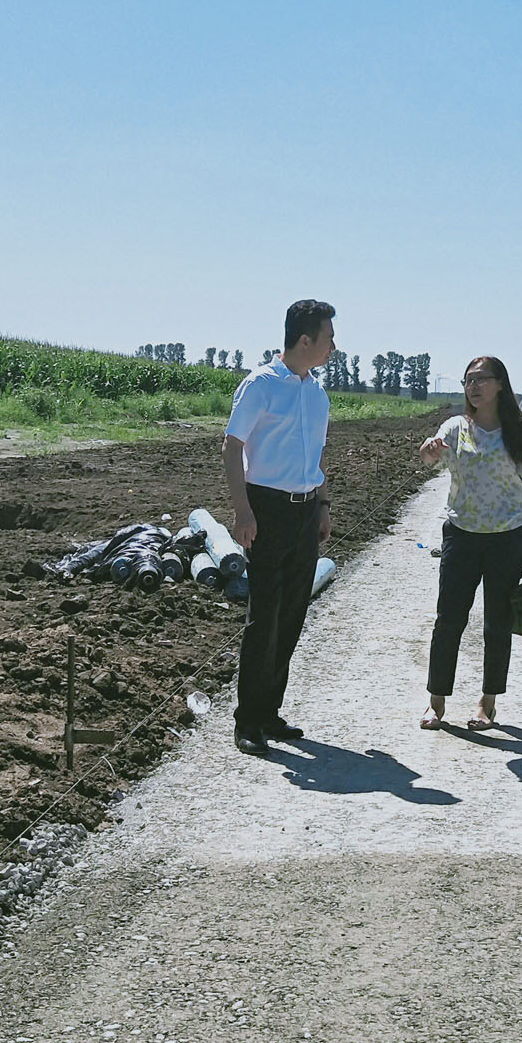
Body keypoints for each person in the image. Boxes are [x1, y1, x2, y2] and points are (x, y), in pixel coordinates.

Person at [222, 299, 337, 756]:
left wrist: (323, 505)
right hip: (267, 510)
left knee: (292, 614)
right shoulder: (261, 386)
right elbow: (232, 447)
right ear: (305, 340)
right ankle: (248, 721)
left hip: (305, 511)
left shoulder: (317, 394)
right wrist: (243, 511)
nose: (333, 347)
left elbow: (319, 455)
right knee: (264, 617)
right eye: (328, 338)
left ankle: (270, 712)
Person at [414, 355, 522, 732]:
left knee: (497, 623)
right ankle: (436, 701)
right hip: (462, 535)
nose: (473, 387)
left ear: (500, 384)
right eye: (468, 380)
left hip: (509, 538)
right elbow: (430, 460)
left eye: (481, 379)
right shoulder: (455, 428)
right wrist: (428, 451)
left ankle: (487, 703)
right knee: (448, 619)